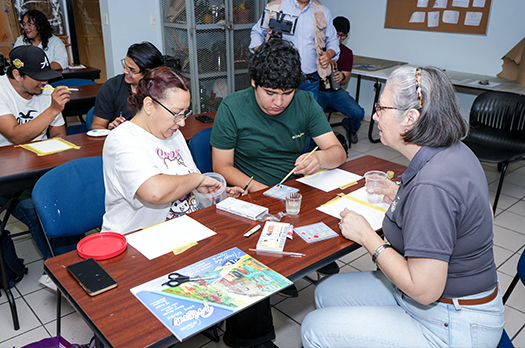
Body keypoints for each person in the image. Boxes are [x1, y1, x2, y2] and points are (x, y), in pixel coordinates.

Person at [301, 66, 504, 347]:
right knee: (327, 292)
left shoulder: (432, 186)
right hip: (448, 301)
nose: (374, 116)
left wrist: (367, 237)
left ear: (410, 118)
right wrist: (404, 196)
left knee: (313, 328)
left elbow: (424, 290)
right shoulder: (454, 151)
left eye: (381, 108)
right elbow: (480, 215)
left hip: (452, 322)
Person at [210, 39, 346, 348]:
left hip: (296, 192)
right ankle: (250, 339)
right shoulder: (233, 106)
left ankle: (298, 269)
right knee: (247, 261)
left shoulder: (304, 103)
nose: (279, 103)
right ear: (254, 82)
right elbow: (222, 166)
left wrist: (319, 158)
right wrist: (267, 193)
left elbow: (337, 153)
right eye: (270, 93)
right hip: (250, 194)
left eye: (286, 94)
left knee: (335, 236)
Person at [101, 65, 243, 234]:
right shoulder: (122, 140)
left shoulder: (173, 133)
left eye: (185, 113)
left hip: (181, 231)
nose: (182, 122)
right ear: (149, 105)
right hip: (138, 241)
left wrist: (207, 192)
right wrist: (197, 180)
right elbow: (154, 192)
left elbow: (184, 182)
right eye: (177, 113)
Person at [0, 46, 69, 282]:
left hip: (39, 166)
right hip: (7, 175)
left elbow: (59, 134)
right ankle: (64, 272)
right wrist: (52, 109)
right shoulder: (1, 91)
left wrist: (50, 147)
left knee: (66, 205)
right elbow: (16, 136)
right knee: (40, 211)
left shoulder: (45, 90)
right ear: (17, 75)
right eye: (38, 78)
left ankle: (73, 263)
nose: (44, 83)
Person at [250, 0, 339, 101]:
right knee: (281, 114)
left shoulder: (322, 11)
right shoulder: (275, 7)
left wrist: (328, 54)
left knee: (307, 115)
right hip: (280, 79)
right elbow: (256, 33)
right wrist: (263, 55)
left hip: (310, 81)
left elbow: (333, 40)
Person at [91, 41, 164, 130]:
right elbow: (97, 127)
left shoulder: (163, 89)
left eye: (131, 70)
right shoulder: (111, 87)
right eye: (125, 66)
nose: (125, 71)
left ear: (148, 73)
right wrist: (112, 131)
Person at [317, 16, 364, 146]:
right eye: (337, 34)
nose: (339, 39)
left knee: (358, 113)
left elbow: (345, 79)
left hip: (335, 92)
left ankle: (350, 128)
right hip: (318, 90)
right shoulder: (318, 48)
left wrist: (341, 77)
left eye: (343, 36)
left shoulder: (347, 53)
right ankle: (320, 141)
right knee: (316, 114)